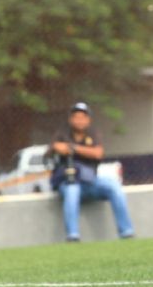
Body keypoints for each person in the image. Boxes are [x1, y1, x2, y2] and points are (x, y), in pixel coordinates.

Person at [48, 102, 134, 242]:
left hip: (90, 181)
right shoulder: (62, 133)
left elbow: (98, 153)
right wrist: (64, 148)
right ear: (70, 119)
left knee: (113, 185)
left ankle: (126, 231)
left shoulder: (93, 134)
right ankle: (73, 235)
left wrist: (73, 148)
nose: (80, 120)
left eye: (83, 117)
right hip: (70, 182)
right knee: (72, 191)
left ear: (88, 120)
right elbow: (56, 147)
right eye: (76, 117)